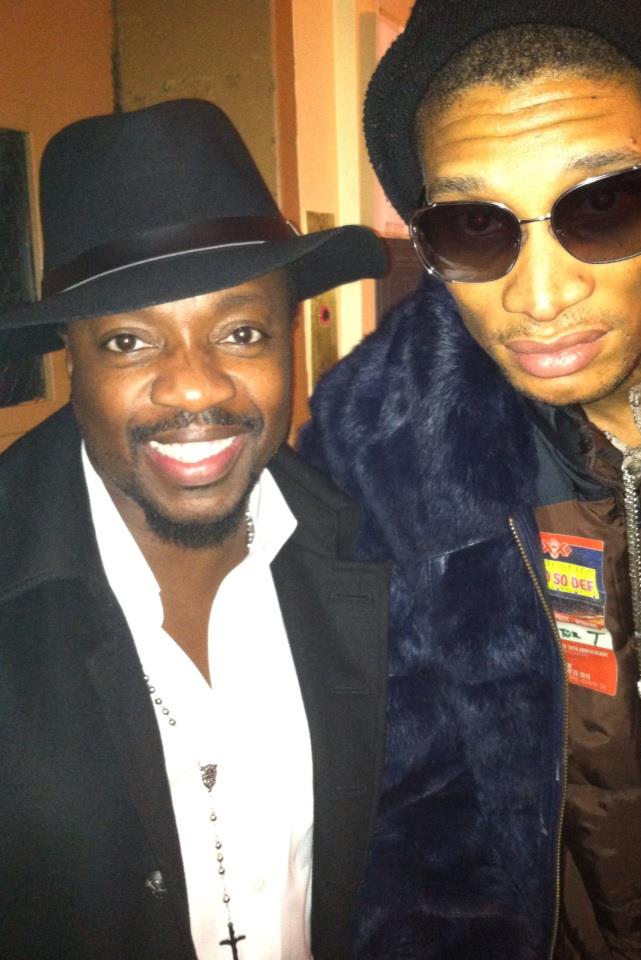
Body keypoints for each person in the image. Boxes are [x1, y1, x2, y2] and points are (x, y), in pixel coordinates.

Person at [301, 1, 641, 957]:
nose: (539, 295)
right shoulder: (382, 449)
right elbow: (397, 814)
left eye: (606, 205)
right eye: (476, 225)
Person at [0, 98, 389, 960]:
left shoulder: (371, 551)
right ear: (71, 355)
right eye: (130, 343)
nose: (194, 387)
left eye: (240, 332)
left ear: (290, 338)